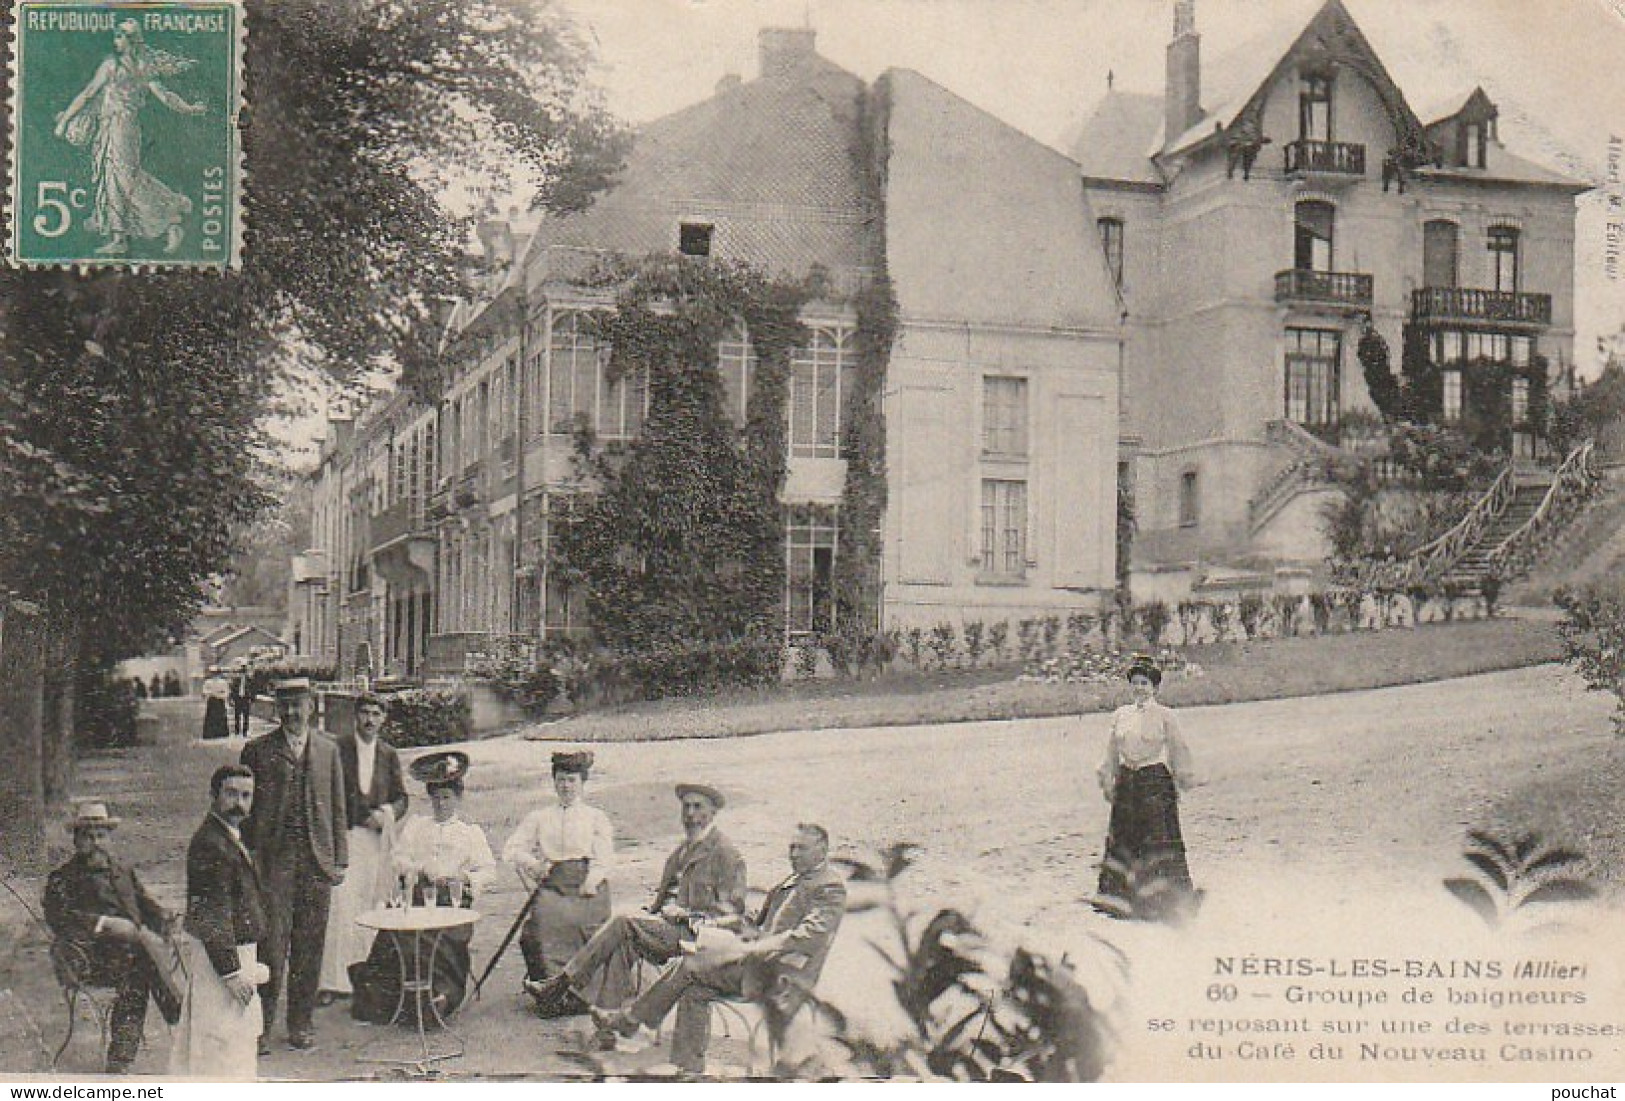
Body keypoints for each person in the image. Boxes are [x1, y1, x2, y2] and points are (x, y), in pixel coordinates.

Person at [595, 823, 848, 1077]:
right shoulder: (796, 878)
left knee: (690, 966)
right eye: (791, 847)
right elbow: (756, 921)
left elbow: (810, 936)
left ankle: (631, 1020)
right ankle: (688, 1068)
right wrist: (714, 923)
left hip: (783, 977)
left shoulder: (829, 887)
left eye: (801, 848)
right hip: (757, 965)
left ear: (822, 849)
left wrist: (756, 948)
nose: (793, 854)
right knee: (694, 987)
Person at [522, 783, 746, 1042]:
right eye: (686, 807)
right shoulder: (681, 851)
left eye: (698, 807)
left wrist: (685, 915)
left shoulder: (726, 854)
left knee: (623, 922)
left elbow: (734, 917)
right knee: (623, 940)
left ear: (713, 812)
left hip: (697, 938)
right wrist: (652, 912)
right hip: (666, 928)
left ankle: (561, 984)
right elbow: (665, 897)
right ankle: (607, 1028)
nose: (690, 814)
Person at [239, 677, 347, 1051]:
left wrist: (340, 859)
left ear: (312, 706)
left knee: (310, 946)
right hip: (273, 863)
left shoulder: (329, 750)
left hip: (317, 862)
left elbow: (337, 807)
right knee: (270, 947)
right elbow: (244, 811)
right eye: (284, 705)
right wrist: (248, 858)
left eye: (298, 704)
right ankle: (259, 1028)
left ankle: (300, 1024)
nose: (291, 712)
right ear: (275, 710)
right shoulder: (257, 751)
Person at [350, 751, 494, 1024]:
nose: (441, 804)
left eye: (447, 798)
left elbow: (488, 870)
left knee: (441, 941)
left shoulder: (469, 833)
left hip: (451, 903)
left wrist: (465, 880)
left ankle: (440, 995)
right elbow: (399, 858)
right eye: (436, 798)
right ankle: (394, 998)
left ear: (458, 798)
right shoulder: (417, 827)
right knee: (399, 937)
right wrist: (416, 868)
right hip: (418, 896)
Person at [42, 802, 181, 1073]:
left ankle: (122, 1056)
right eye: (88, 836)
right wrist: (105, 924)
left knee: (139, 963)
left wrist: (163, 916)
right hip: (88, 958)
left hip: (129, 954)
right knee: (141, 963)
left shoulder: (122, 871)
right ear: (76, 840)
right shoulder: (64, 878)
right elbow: (60, 918)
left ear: (110, 838)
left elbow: (144, 904)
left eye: (101, 835)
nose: (96, 842)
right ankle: (175, 1013)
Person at [51, 18, 205, 256]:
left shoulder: (115, 66)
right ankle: (119, 235)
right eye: (116, 36)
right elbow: (91, 94)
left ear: (132, 40)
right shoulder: (138, 66)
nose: (117, 41)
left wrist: (63, 122)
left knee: (124, 179)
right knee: (113, 177)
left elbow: (89, 93)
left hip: (120, 127)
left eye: (121, 36)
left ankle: (171, 218)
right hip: (118, 127)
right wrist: (190, 108)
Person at [171, 765, 268, 1079]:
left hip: (234, 951)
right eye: (231, 793)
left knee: (232, 1040)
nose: (239, 802)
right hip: (223, 958)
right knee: (220, 1041)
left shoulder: (228, 836)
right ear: (213, 795)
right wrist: (231, 971)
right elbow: (214, 912)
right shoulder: (211, 844)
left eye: (246, 795)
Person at [502, 750, 615, 1013]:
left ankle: (579, 994)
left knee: (579, 924)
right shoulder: (540, 817)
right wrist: (535, 865)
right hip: (554, 885)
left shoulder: (595, 817)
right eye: (561, 780)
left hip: (588, 885)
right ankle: (550, 990)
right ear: (554, 782)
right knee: (540, 924)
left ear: (582, 783)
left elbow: (605, 857)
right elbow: (512, 849)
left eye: (572, 780)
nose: (566, 786)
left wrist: (592, 880)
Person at [319, 692, 408, 1002]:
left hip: (375, 843)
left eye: (376, 714)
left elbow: (402, 798)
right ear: (355, 716)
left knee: (372, 905)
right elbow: (330, 792)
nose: (370, 720)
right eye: (365, 713)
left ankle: (365, 978)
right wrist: (361, 816)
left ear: (383, 719)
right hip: (345, 837)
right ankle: (332, 981)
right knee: (340, 906)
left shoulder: (389, 754)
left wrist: (387, 815)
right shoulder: (337, 749)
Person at [1095, 656, 1199, 918]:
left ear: (1154, 687)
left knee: (1158, 838)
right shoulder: (1121, 715)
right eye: (1135, 683)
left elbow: (1178, 748)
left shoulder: (1165, 716)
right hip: (1128, 782)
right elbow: (1110, 751)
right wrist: (1108, 778)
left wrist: (1182, 778)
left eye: (1145, 683)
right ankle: (1118, 898)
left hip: (1154, 780)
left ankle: (1168, 900)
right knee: (1123, 837)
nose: (1139, 688)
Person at [201, 667, 230, 740]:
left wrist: (220, 695)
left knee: (220, 716)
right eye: (213, 673)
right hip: (212, 701)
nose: (214, 675)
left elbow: (226, 692)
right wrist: (211, 694)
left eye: (216, 673)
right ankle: (210, 733)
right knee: (211, 717)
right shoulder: (208, 682)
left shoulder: (223, 682)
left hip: (220, 701)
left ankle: (221, 733)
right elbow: (204, 691)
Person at [230, 664, 254, 739]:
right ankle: (237, 731)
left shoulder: (249, 679)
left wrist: (251, 699)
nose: (242, 673)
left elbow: (253, 689)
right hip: (238, 698)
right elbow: (233, 690)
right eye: (241, 671)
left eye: (244, 671)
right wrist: (232, 699)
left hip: (245, 699)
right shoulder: (236, 680)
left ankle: (245, 731)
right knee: (237, 715)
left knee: (246, 716)